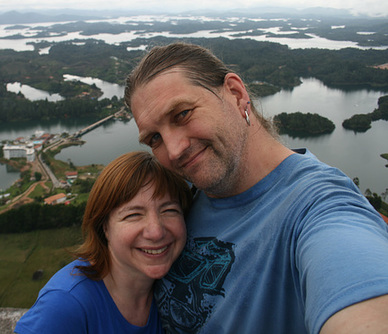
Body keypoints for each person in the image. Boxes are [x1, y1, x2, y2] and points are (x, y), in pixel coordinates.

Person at [125, 42, 388, 334]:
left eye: (183, 114)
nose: (173, 151)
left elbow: (360, 298)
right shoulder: (176, 198)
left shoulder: (317, 206)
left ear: (237, 95)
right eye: (154, 139)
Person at [15, 151, 192, 334]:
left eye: (169, 210)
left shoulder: (173, 293)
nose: (156, 232)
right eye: (133, 215)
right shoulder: (66, 304)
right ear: (104, 228)